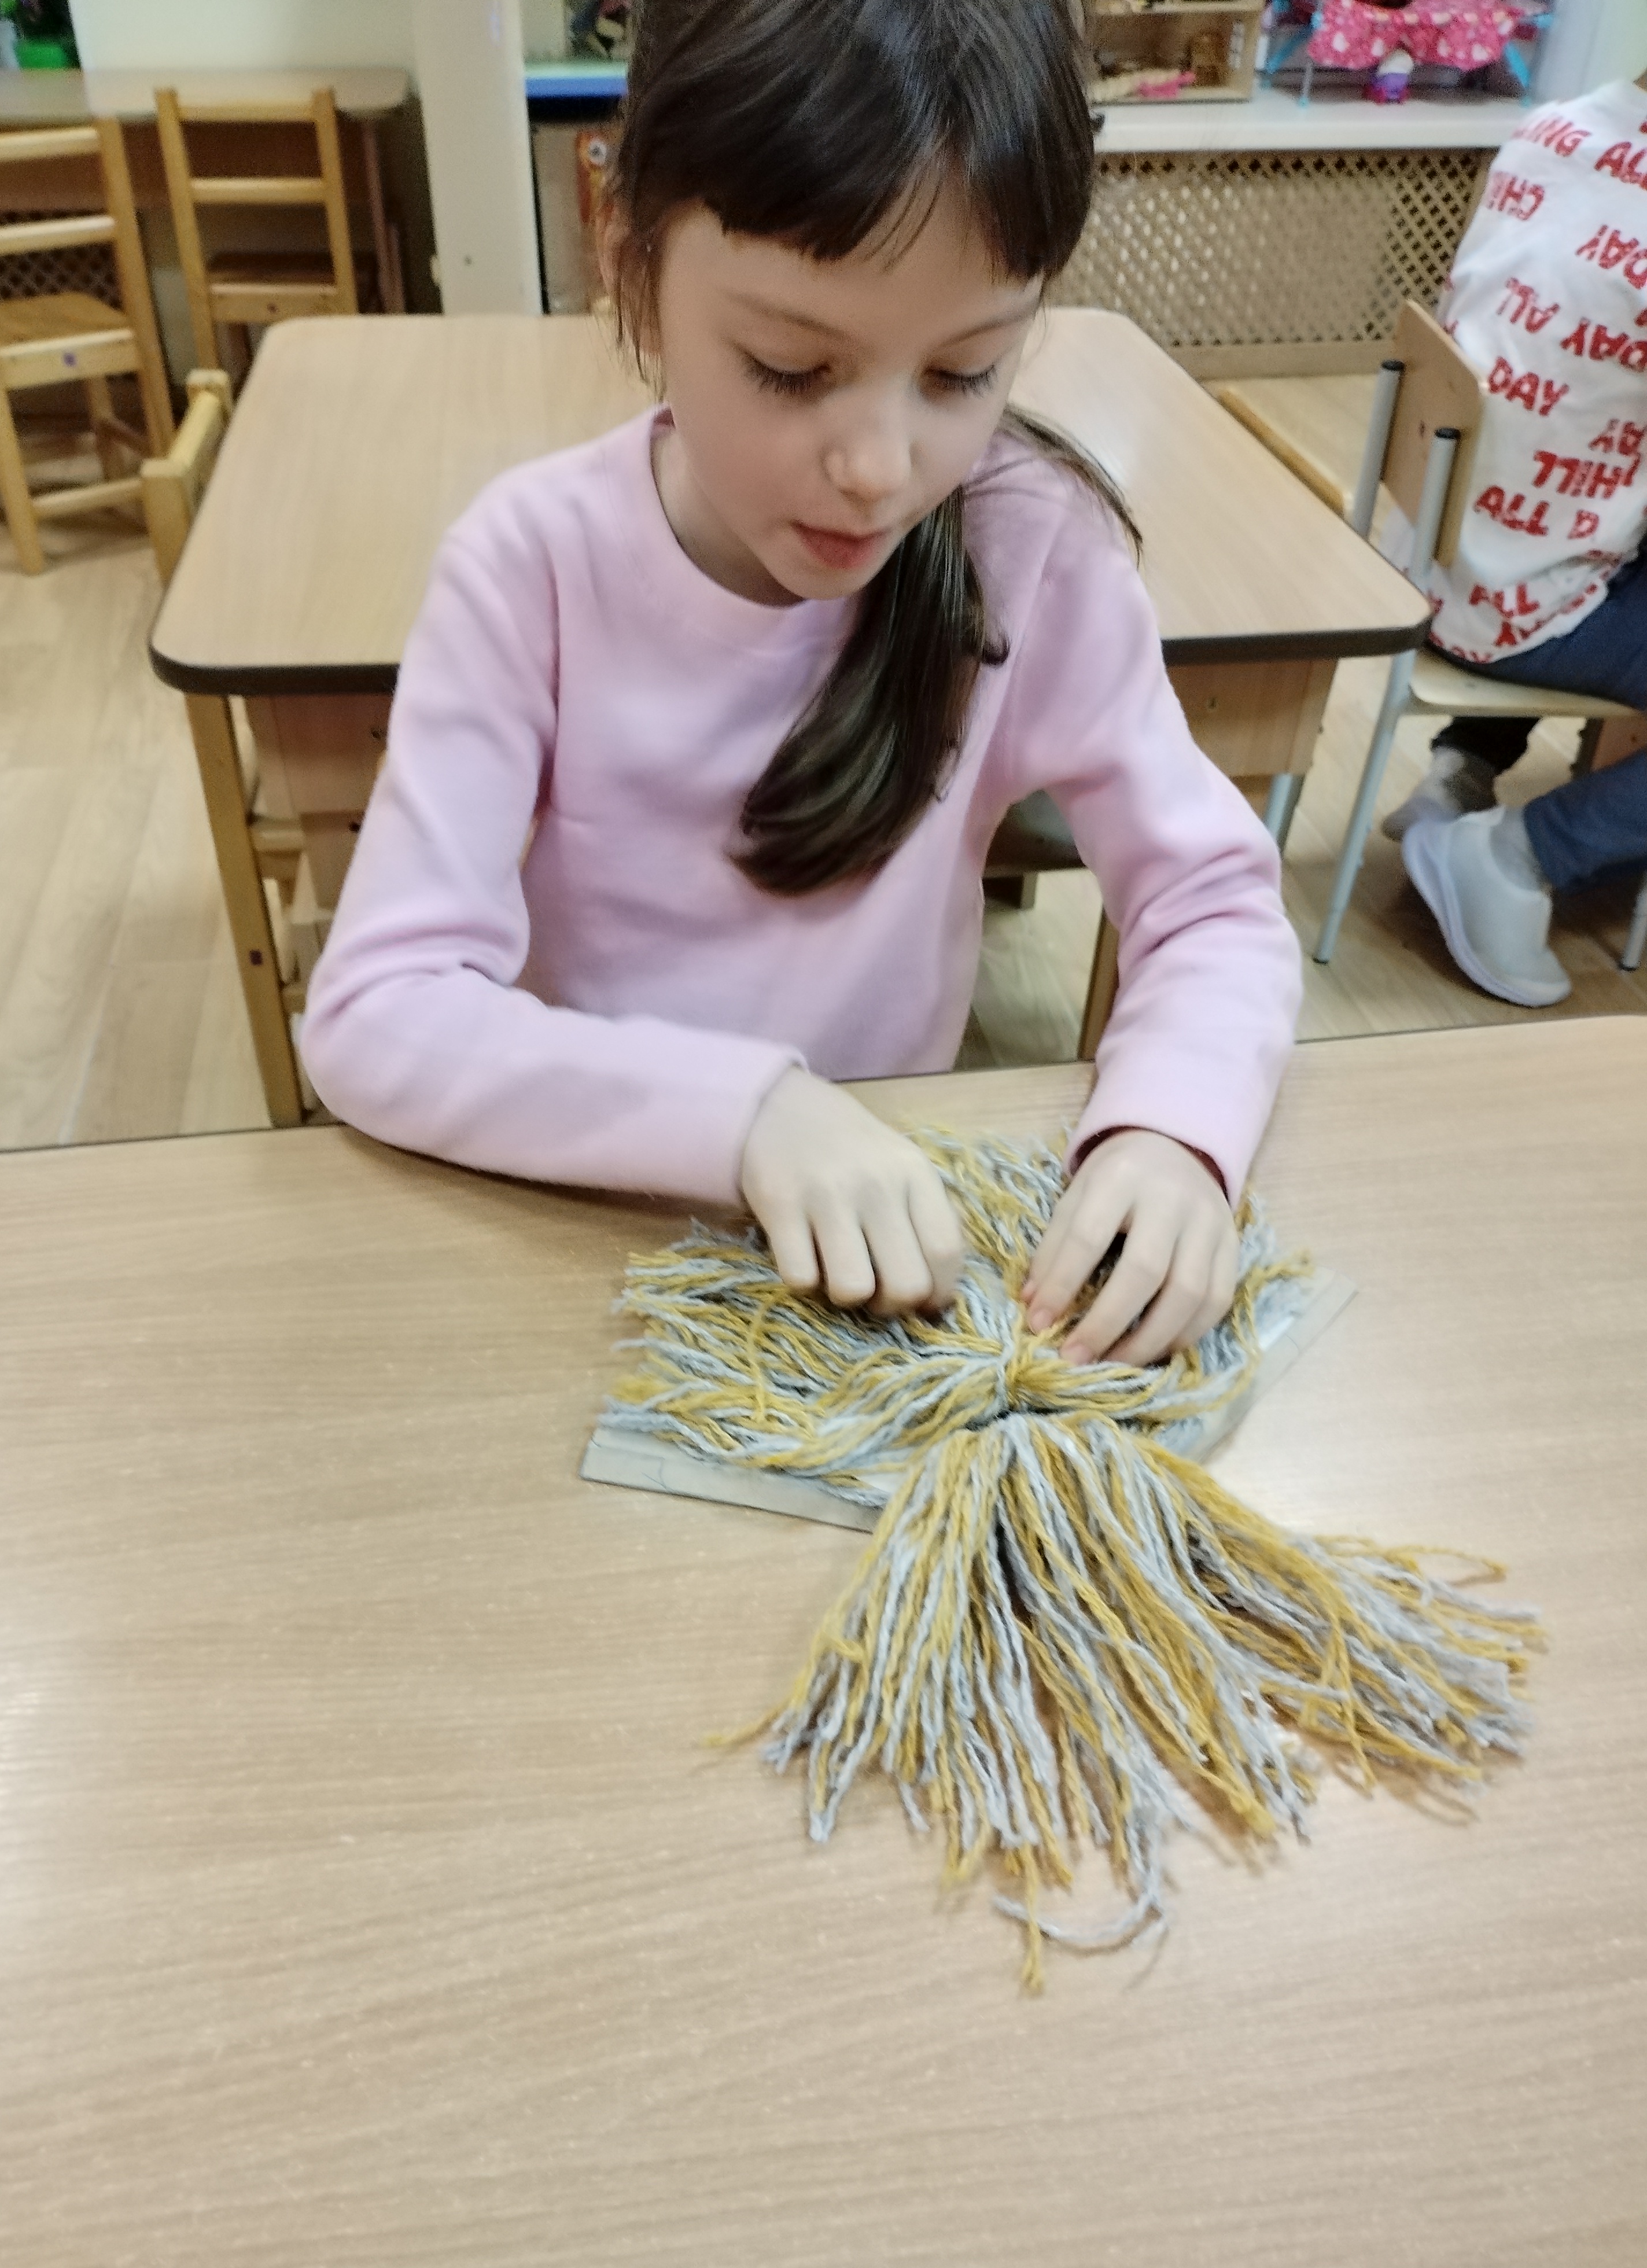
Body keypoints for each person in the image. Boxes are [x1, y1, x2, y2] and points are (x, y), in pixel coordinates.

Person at [301, 0, 1300, 1368]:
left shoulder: (1028, 550)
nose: (880, 468)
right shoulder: (531, 565)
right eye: (789, 367)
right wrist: (751, 1112)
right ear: (629, 261)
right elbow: (380, 1008)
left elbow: (1214, 901)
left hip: (883, 1282)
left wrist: (1176, 1130)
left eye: (965, 371)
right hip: (583, 1233)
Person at [1381, 65, 1647, 1006]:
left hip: (1429, 552)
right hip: (1527, 603)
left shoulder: (1553, 127)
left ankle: (1463, 768)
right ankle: (1518, 855)